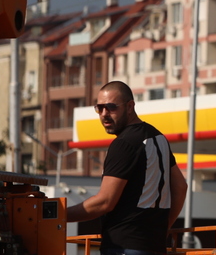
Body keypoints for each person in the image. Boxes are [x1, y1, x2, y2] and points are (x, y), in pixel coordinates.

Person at [67, 81, 187, 255]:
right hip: (153, 247)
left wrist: (55, 215)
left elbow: (105, 202)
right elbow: (181, 187)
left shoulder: (124, 143)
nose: (104, 114)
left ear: (130, 106)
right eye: (99, 108)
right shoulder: (158, 137)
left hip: (123, 246)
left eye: (111, 107)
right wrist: (162, 228)